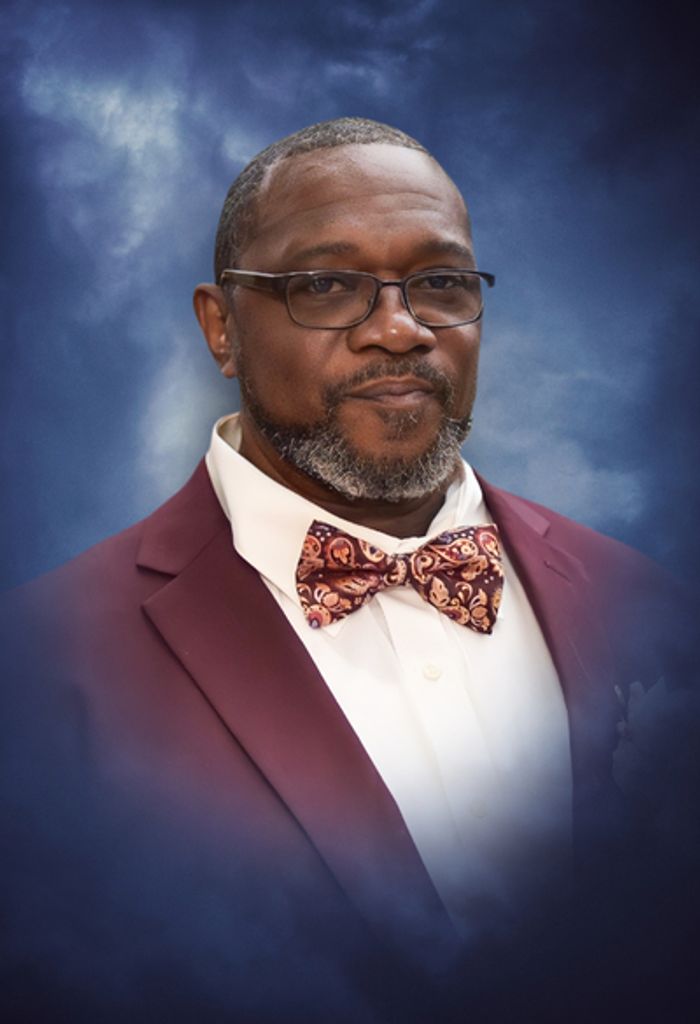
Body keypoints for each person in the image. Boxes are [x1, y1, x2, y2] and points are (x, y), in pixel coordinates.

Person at [1, 118, 689, 1022]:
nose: (399, 330)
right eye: (326, 285)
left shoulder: (647, 607)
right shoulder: (37, 667)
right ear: (221, 328)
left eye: (439, 282)